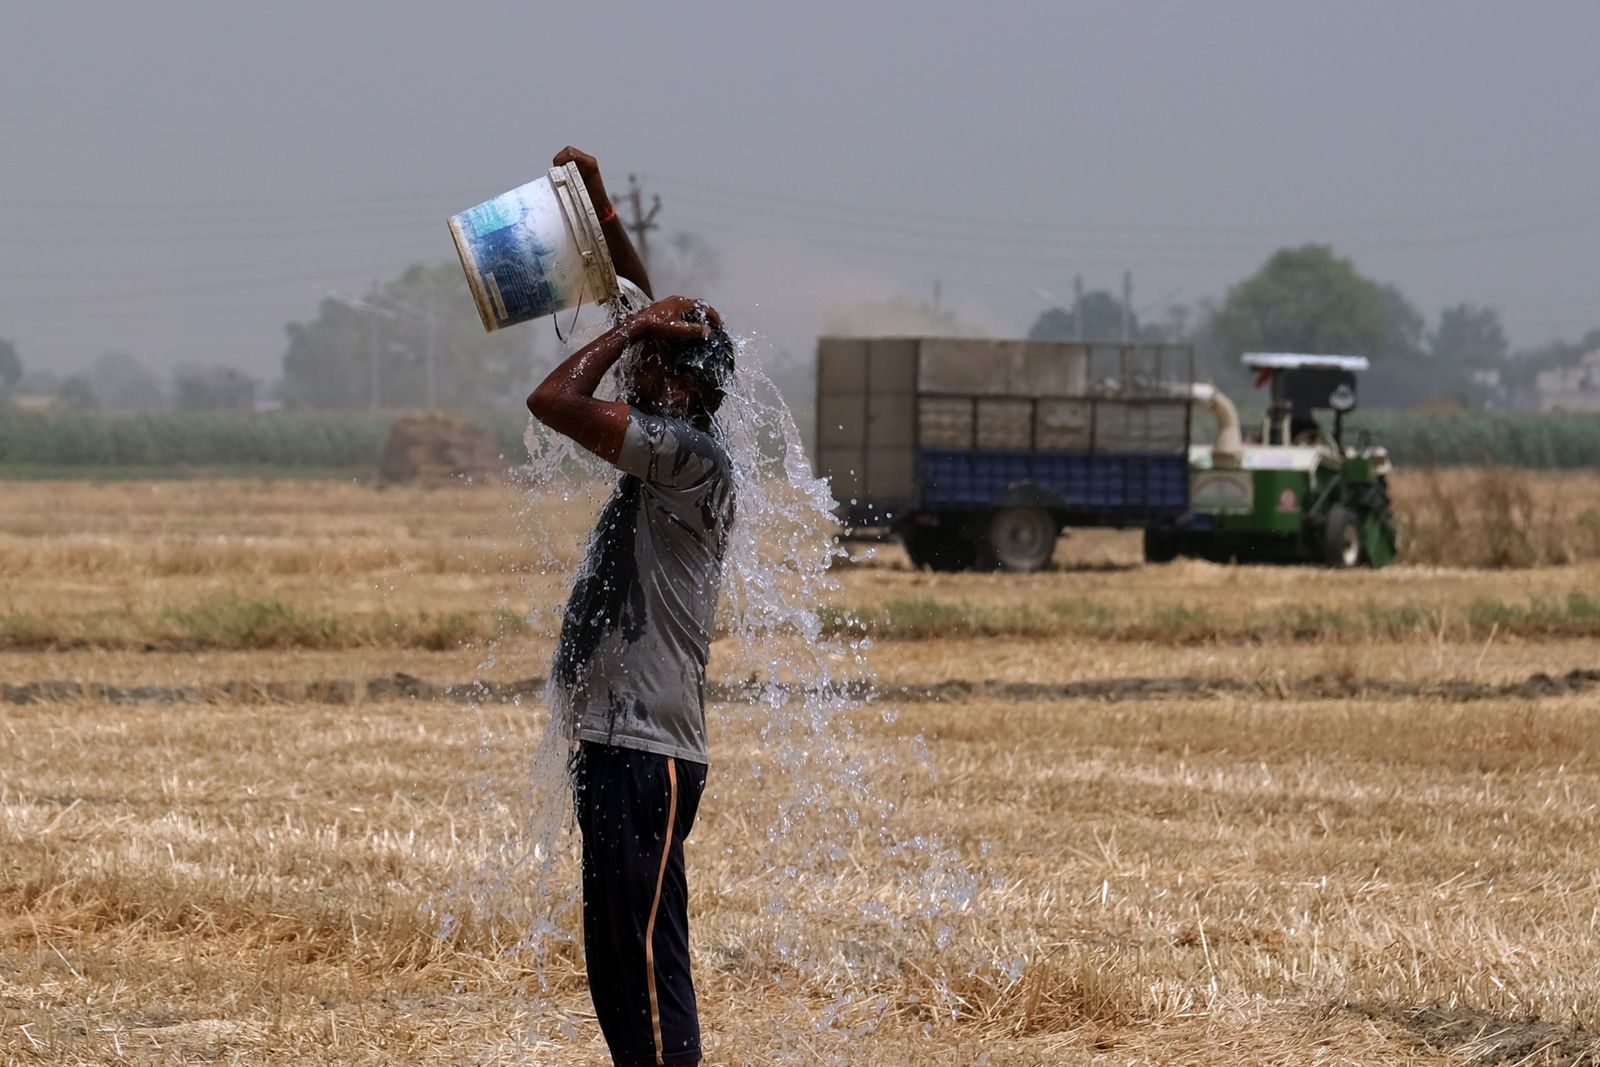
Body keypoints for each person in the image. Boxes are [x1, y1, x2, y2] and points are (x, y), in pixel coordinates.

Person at [527, 146, 736, 1067]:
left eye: (655, 362)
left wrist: (630, 329)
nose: (638, 369)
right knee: (620, 970)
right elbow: (638, 319)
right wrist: (605, 215)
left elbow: (553, 398)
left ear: (685, 390)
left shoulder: (689, 456)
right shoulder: (678, 436)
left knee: (647, 970)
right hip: (617, 746)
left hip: (648, 754)